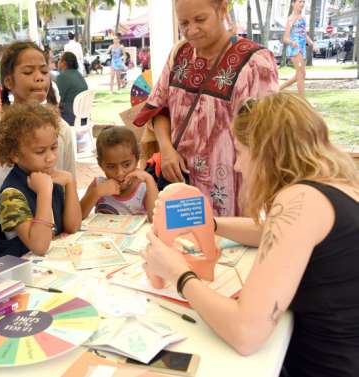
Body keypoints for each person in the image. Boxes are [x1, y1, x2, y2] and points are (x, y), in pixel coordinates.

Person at [141, 92, 359, 377]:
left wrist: (178, 273)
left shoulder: (300, 199)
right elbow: (269, 232)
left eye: (241, 153)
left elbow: (246, 333)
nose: (237, 166)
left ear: (267, 153)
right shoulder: (336, 188)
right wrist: (211, 224)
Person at [133, 0, 278, 216]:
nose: (191, 30)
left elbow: (267, 134)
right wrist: (166, 149)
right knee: (181, 242)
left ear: (222, 9)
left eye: (200, 20)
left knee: (226, 243)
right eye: (183, 23)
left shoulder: (255, 62)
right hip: (180, 181)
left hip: (232, 186)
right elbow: (160, 107)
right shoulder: (180, 54)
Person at [0, 41, 76, 261]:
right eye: (28, 71)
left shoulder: (62, 129)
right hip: (19, 245)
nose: (40, 77)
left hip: (54, 250)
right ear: (9, 81)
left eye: (44, 70)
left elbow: (69, 183)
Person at [0, 103, 81, 258]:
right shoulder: (10, 196)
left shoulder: (50, 177)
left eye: (53, 147)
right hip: (19, 276)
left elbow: (73, 227)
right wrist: (44, 192)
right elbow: (39, 247)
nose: (51, 158)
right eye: (40, 151)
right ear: (15, 154)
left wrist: (70, 183)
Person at [80, 127, 157, 221]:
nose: (120, 173)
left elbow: (155, 219)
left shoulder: (144, 188)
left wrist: (149, 179)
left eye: (127, 164)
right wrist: (96, 193)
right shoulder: (98, 185)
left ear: (137, 160)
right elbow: (78, 217)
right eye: (111, 167)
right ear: (100, 164)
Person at [280, 0, 314, 96]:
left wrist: (311, 43)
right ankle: (303, 101)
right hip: (294, 49)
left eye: (303, 1)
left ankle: (278, 89)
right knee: (300, 74)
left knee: (302, 74)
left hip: (302, 48)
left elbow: (304, 34)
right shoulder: (290, 19)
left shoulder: (303, 18)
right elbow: (285, 38)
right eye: (300, 1)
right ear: (293, 4)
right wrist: (292, 42)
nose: (302, 4)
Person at [56, 52, 88, 126]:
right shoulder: (78, 75)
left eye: (59, 59)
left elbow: (58, 99)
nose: (58, 62)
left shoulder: (62, 77)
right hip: (83, 117)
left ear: (64, 63)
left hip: (70, 117)